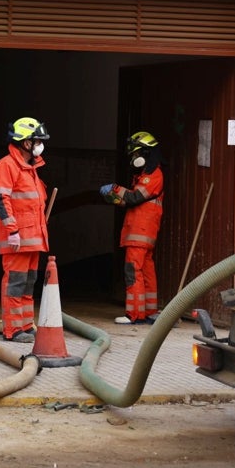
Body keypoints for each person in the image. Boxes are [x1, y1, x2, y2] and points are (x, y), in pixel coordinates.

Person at [0, 117, 51, 343]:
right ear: (25, 143)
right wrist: (12, 231)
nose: (39, 144)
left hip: (33, 238)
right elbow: (2, 201)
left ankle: (26, 325)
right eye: (37, 140)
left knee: (28, 284)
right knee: (15, 284)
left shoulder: (30, 168)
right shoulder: (6, 166)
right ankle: (13, 330)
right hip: (18, 238)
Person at [100, 131, 164, 325]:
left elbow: (135, 198)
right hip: (141, 233)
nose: (134, 159)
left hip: (140, 233)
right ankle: (150, 311)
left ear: (145, 153)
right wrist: (117, 198)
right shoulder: (145, 176)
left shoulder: (152, 176)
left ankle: (134, 314)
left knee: (132, 271)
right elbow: (132, 201)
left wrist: (115, 189)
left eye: (136, 155)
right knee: (146, 271)